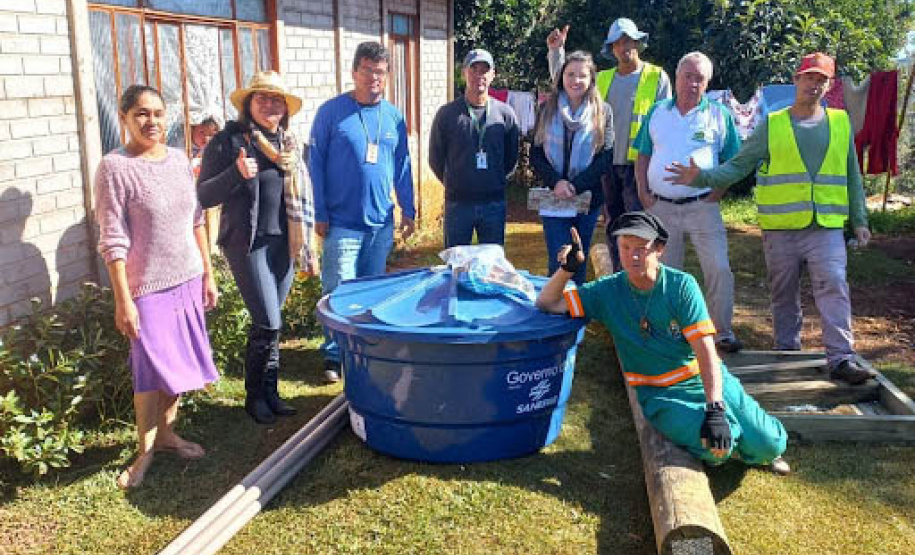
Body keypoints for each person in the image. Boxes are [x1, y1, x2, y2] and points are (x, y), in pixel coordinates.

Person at [666, 52, 877, 385]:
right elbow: (739, 165)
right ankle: (787, 354)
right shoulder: (773, 123)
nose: (813, 84)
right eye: (808, 77)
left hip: (826, 227)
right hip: (780, 229)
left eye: (821, 80)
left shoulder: (840, 122)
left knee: (834, 286)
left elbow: (852, 175)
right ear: (796, 80)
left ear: (829, 86)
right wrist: (702, 177)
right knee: (784, 295)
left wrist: (860, 220)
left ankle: (841, 359)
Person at [536, 212, 789, 473]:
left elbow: (706, 351)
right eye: (625, 247)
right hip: (660, 394)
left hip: (702, 378)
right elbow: (547, 302)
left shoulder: (681, 286)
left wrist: (715, 408)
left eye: (641, 248)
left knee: (770, 444)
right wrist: (567, 270)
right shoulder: (606, 291)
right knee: (720, 445)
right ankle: (727, 440)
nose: (633, 256)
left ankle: (748, 440)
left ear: (659, 249)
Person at [95, 85, 219, 489]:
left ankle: (166, 435)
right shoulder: (114, 167)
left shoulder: (179, 160)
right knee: (149, 371)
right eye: (141, 114)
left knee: (177, 365)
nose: (151, 121)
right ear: (124, 118)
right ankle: (144, 452)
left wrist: (208, 273)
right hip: (146, 288)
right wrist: (124, 301)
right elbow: (113, 239)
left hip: (187, 279)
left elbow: (196, 220)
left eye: (158, 113)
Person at [198, 71, 318, 424]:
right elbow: (203, 196)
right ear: (249, 104)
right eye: (262, 98)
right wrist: (235, 173)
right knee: (268, 322)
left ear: (286, 108)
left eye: (276, 99)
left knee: (271, 322)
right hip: (247, 244)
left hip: (285, 243)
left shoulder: (291, 147)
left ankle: (271, 392)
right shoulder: (229, 142)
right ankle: (254, 396)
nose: (269, 105)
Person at [309, 42, 416, 382]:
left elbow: (402, 166)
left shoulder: (393, 117)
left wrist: (408, 208)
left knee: (372, 292)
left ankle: (365, 351)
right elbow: (315, 165)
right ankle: (334, 355)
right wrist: (320, 211)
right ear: (355, 72)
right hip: (342, 223)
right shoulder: (331, 113)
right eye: (367, 70)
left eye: (380, 72)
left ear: (387, 76)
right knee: (338, 291)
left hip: (380, 223)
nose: (374, 78)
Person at [633, 52, 742, 354]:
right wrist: (643, 192)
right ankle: (669, 330)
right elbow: (642, 154)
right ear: (676, 77)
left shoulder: (719, 115)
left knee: (718, 268)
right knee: (664, 271)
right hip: (661, 207)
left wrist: (717, 192)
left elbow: (734, 161)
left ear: (707, 83)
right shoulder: (657, 111)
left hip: (703, 207)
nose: (692, 83)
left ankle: (721, 332)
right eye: (687, 76)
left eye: (699, 79)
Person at [547, 19, 671, 270]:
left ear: (637, 42)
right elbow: (569, 85)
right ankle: (618, 276)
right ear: (611, 49)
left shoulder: (657, 77)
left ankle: (640, 276)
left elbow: (666, 124)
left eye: (628, 41)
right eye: (618, 43)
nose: (624, 47)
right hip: (606, 166)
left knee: (638, 226)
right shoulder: (602, 79)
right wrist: (556, 52)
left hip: (640, 167)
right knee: (614, 226)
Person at [530, 50, 613, 284]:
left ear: (591, 79)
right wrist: (556, 182)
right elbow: (536, 153)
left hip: (587, 198)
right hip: (554, 198)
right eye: (570, 74)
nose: (576, 80)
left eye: (582, 75)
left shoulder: (603, 111)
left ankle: (575, 304)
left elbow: (605, 157)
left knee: (579, 259)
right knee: (559, 259)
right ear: (562, 77)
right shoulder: (546, 108)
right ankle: (554, 304)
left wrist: (575, 186)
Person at [429, 48, 520, 247]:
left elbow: (511, 158)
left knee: (491, 262)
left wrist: (493, 180)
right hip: (458, 204)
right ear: (464, 73)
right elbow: (435, 159)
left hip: (493, 204)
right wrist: (456, 184)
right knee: (456, 261)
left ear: (493, 74)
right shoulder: (447, 114)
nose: (479, 75)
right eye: (474, 69)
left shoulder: (505, 114)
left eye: (484, 70)